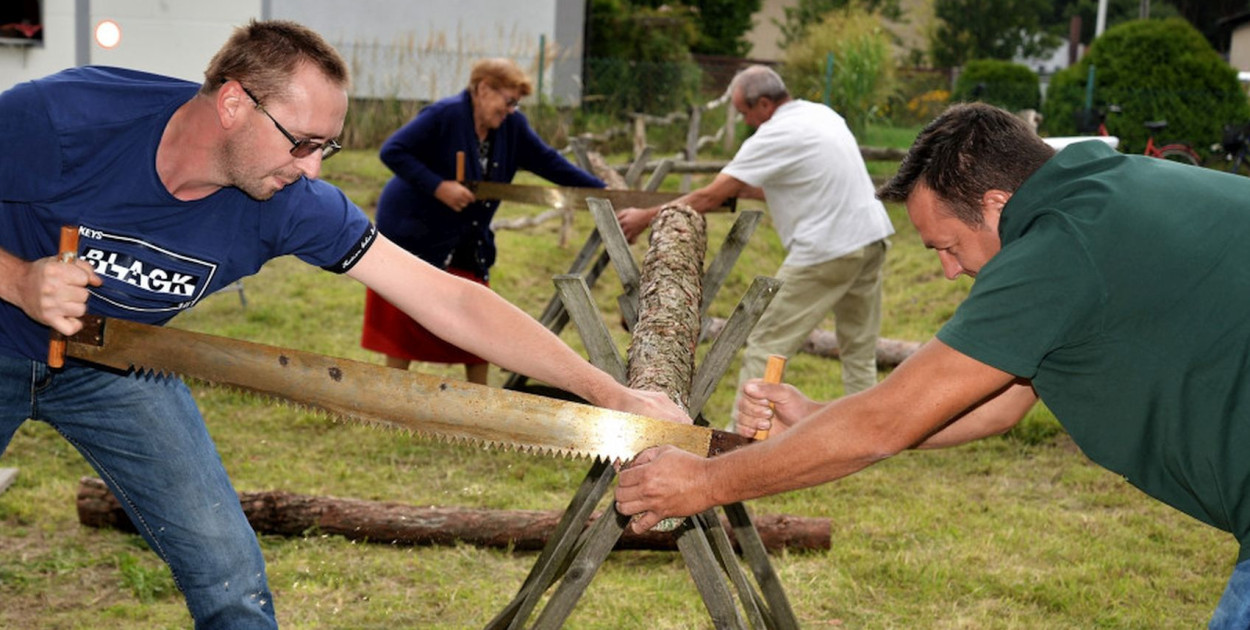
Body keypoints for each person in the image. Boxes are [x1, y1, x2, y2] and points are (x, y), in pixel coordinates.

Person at [0, 20, 687, 629]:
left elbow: (450, 301)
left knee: (229, 575)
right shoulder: (63, 119)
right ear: (234, 103)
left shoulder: (290, 200)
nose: (310, 169)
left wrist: (611, 395)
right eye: (302, 143)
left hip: (117, 368)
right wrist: (20, 282)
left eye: (325, 148)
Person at [614, 102, 1250, 628]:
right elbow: (1001, 404)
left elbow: (883, 424)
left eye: (948, 246)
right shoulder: (1112, 184)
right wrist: (816, 417)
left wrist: (704, 483)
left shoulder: (1056, 248)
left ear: (997, 204)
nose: (949, 270)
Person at [616, 65, 894, 397]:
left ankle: (744, 428)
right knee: (860, 351)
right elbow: (803, 185)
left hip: (828, 247)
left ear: (763, 103)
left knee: (766, 344)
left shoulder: (774, 134)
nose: (745, 121)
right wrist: (740, 190)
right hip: (872, 237)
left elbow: (710, 196)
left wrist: (644, 217)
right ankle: (868, 426)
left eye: (744, 112)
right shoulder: (820, 115)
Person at [361, 58, 605, 385]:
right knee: (404, 320)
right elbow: (393, 150)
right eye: (509, 100)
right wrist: (439, 186)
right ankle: (392, 396)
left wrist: (603, 192)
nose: (511, 110)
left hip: (467, 235)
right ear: (484, 89)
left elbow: (548, 162)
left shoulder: (512, 126)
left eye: (516, 104)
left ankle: (479, 398)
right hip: (413, 230)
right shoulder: (444, 115)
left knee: (476, 318)